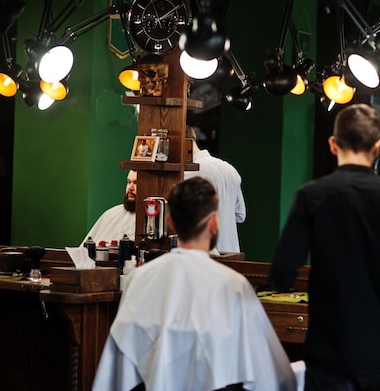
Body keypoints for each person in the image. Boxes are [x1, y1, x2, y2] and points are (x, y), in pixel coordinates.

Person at [267, 104, 380, 391]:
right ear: (378, 147)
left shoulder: (312, 196)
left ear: (333, 145)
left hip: (329, 349)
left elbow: (282, 273)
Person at [92, 177, 297, 391]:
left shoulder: (139, 280)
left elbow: (118, 366)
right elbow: (268, 371)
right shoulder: (233, 285)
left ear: (170, 222)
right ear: (214, 224)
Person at [184, 125, 246, 253]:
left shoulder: (188, 173)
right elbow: (240, 215)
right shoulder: (230, 168)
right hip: (232, 252)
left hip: (205, 253)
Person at [81, 169, 137, 246]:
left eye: (136, 183)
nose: (130, 188)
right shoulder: (111, 214)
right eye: (129, 182)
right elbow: (84, 252)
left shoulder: (158, 220)